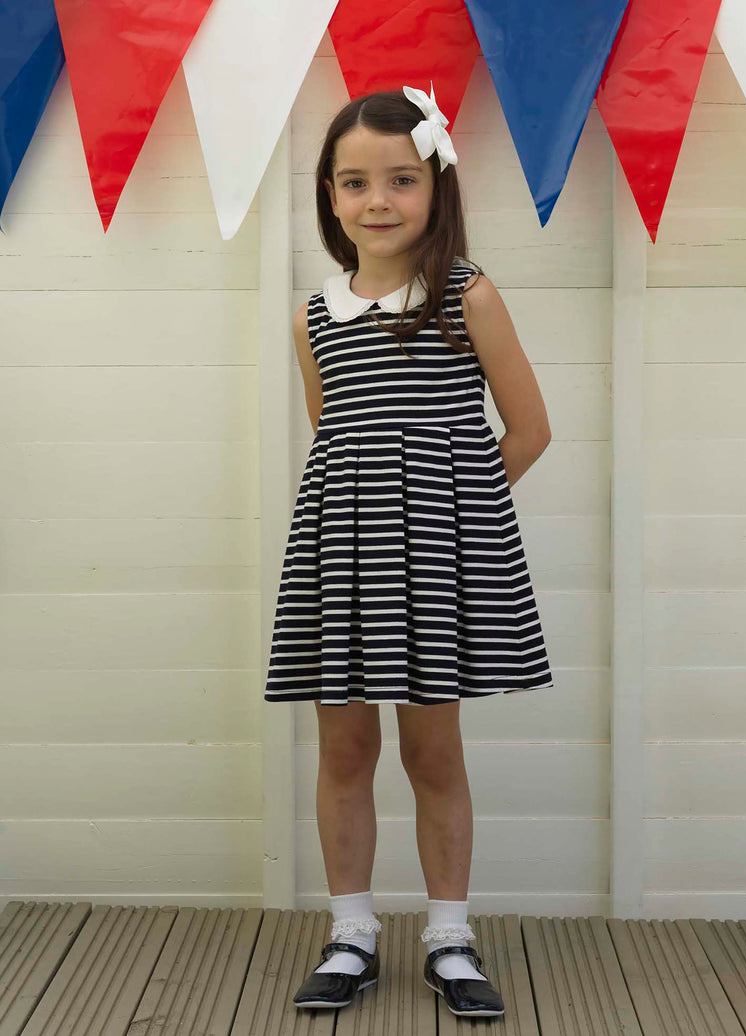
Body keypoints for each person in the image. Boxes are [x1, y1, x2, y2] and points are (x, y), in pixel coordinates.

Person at [264, 80, 554, 1017]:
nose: (376, 201)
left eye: (399, 179)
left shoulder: (465, 294)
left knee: (434, 752)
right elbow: (334, 438)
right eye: (353, 183)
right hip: (342, 562)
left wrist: (451, 516)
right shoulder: (314, 317)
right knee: (343, 748)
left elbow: (529, 429)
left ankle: (450, 938)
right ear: (330, 196)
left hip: (435, 566)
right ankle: (351, 933)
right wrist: (378, 514)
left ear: (437, 187)